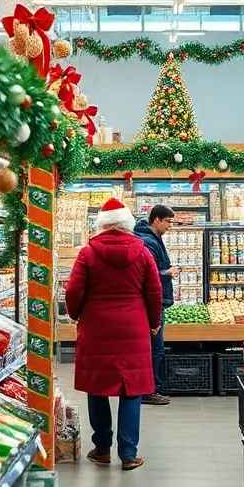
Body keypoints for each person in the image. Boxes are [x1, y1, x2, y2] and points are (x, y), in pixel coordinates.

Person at [64, 197, 162, 471]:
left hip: (96, 328)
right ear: (127, 223)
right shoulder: (143, 252)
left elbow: (73, 290)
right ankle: (128, 454)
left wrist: (75, 314)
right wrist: (153, 321)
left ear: (103, 224)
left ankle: (102, 449)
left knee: (98, 387)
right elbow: (154, 291)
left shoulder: (88, 252)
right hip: (134, 327)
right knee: (132, 390)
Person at [133, 204, 180, 406]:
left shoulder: (151, 238)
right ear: (156, 220)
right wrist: (168, 273)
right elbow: (148, 275)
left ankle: (151, 387)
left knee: (154, 347)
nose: (170, 226)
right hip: (151, 303)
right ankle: (149, 390)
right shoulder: (148, 241)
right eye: (168, 221)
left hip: (151, 302)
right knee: (156, 348)